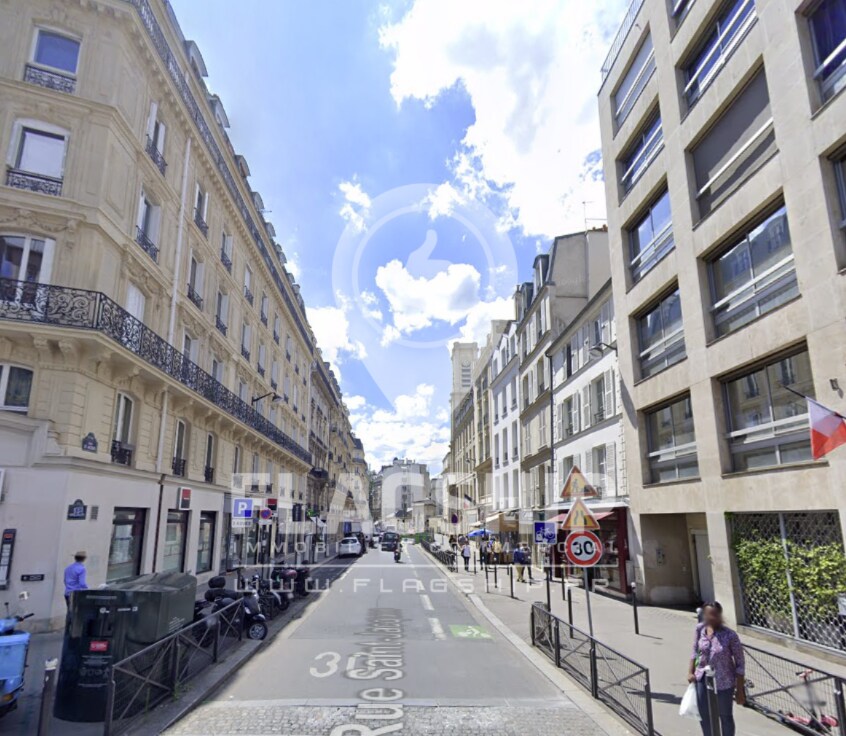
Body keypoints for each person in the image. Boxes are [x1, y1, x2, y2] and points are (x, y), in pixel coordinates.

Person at [688, 601, 745, 736]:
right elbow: (695, 650)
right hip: (702, 678)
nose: (712, 618)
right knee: (704, 715)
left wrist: (740, 690)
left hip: (724, 681)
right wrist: (690, 671)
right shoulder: (700, 629)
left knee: (725, 716)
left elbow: (740, 663)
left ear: (720, 615)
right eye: (709, 615)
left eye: (715, 615)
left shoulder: (730, 635)